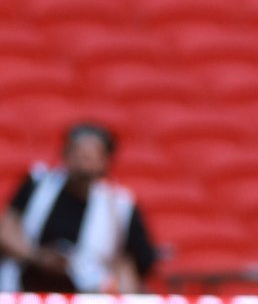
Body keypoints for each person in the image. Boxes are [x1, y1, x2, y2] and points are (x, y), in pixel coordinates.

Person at [0, 123, 158, 294]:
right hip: (21, 288)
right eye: (79, 152)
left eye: (92, 154)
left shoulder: (121, 206)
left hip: (90, 299)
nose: (84, 159)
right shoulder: (37, 184)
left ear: (107, 160)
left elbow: (132, 262)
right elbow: (6, 228)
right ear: (65, 153)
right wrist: (37, 257)